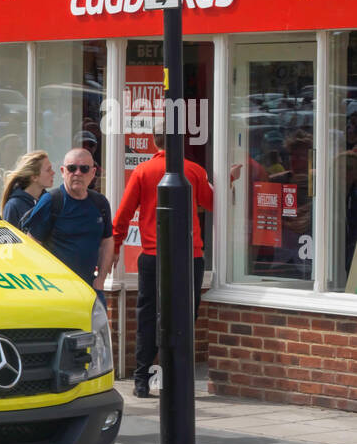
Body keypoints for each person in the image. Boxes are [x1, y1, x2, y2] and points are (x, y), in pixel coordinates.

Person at [111, 132, 214, 397]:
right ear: (180, 142)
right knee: (184, 316)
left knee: (148, 315)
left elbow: (123, 213)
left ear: (155, 142)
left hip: (152, 255)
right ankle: (177, 376)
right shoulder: (194, 171)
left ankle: (142, 379)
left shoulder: (143, 171)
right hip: (189, 255)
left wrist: (115, 246)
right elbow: (211, 202)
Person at [21, 147, 115, 296]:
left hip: (90, 289)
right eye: (72, 168)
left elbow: (107, 241)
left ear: (93, 173)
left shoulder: (100, 203)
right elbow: (32, 245)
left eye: (84, 169)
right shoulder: (51, 201)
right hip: (56, 291)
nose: (78, 173)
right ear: (63, 171)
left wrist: (101, 279)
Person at [0, 150, 53, 226]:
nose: (53, 173)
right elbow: (9, 237)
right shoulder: (14, 206)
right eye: (48, 170)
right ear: (34, 177)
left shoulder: (50, 202)